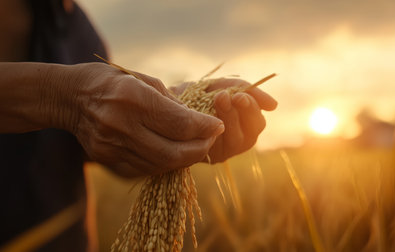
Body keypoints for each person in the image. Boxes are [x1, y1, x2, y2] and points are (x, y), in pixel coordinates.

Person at [0, 0, 277, 251]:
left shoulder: (74, 25)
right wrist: (63, 99)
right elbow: (77, 103)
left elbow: (110, 154)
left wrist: (165, 135)